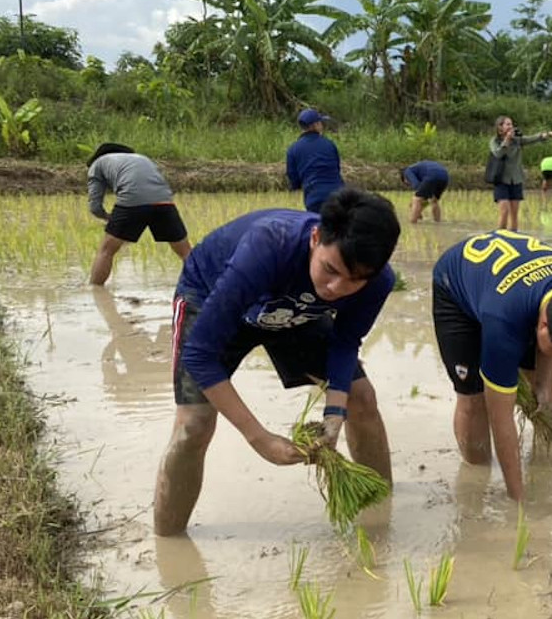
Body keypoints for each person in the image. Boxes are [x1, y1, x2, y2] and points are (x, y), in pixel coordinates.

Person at [153, 189, 401, 536]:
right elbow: (200, 354)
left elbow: (345, 342)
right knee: (194, 425)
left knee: (361, 398)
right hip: (213, 297)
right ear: (316, 238)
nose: (336, 289)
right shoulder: (269, 245)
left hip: (294, 311)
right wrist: (259, 438)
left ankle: (379, 514)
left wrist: (334, 416)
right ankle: (169, 544)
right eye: (330, 270)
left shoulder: (377, 283)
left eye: (355, 280)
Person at [432, 230, 552, 501]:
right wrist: (519, 501)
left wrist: (542, 384)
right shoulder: (504, 325)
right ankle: (476, 473)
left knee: (542, 390)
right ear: (543, 325)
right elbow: (501, 420)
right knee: (474, 397)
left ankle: (547, 460)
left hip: (516, 288)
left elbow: (551, 359)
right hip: (456, 285)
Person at [86, 143, 191, 286]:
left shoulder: (97, 165)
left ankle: (94, 291)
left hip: (132, 200)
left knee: (106, 251)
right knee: (185, 252)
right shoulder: (142, 158)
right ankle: (207, 285)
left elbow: (95, 207)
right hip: (165, 201)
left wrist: (108, 217)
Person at [489, 116, 552, 231]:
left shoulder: (518, 140)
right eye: (508, 124)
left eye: (511, 124)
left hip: (516, 179)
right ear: (500, 127)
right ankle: (500, 236)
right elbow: (498, 153)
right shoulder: (494, 141)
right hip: (502, 180)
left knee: (514, 213)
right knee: (504, 211)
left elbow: (534, 138)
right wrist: (507, 140)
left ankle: (513, 236)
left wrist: (549, 134)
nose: (511, 127)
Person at [286, 108, 345, 213]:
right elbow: (336, 168)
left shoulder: (293, 150)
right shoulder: (329, 144)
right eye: (321, 123)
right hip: (339, 196)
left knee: (317, 227)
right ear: (316, 125)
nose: (322, 126)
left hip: (314, 199)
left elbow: (294, 180)